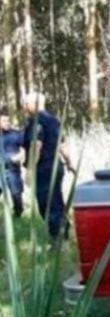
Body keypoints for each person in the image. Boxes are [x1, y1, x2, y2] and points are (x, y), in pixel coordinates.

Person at [22, 92, 74, 238]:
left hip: (44, 169)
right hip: (57, 167)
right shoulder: (54, 121)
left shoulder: (37, 122)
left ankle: (58, 238)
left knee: (47, 205)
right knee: (56, 201)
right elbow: (62, 145)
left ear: (35, 104)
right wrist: (69, 163)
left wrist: (30, 171)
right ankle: (63, 233)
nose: (25, 106)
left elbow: (35, 146)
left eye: (26, 103)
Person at [0, 107, 25, 217]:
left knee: (16, 194)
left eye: (8, 120)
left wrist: (21, 155)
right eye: (4, 121)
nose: (7, 123)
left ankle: (17, 214)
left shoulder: (15, 134)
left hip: (13, 170)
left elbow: (27, 147)